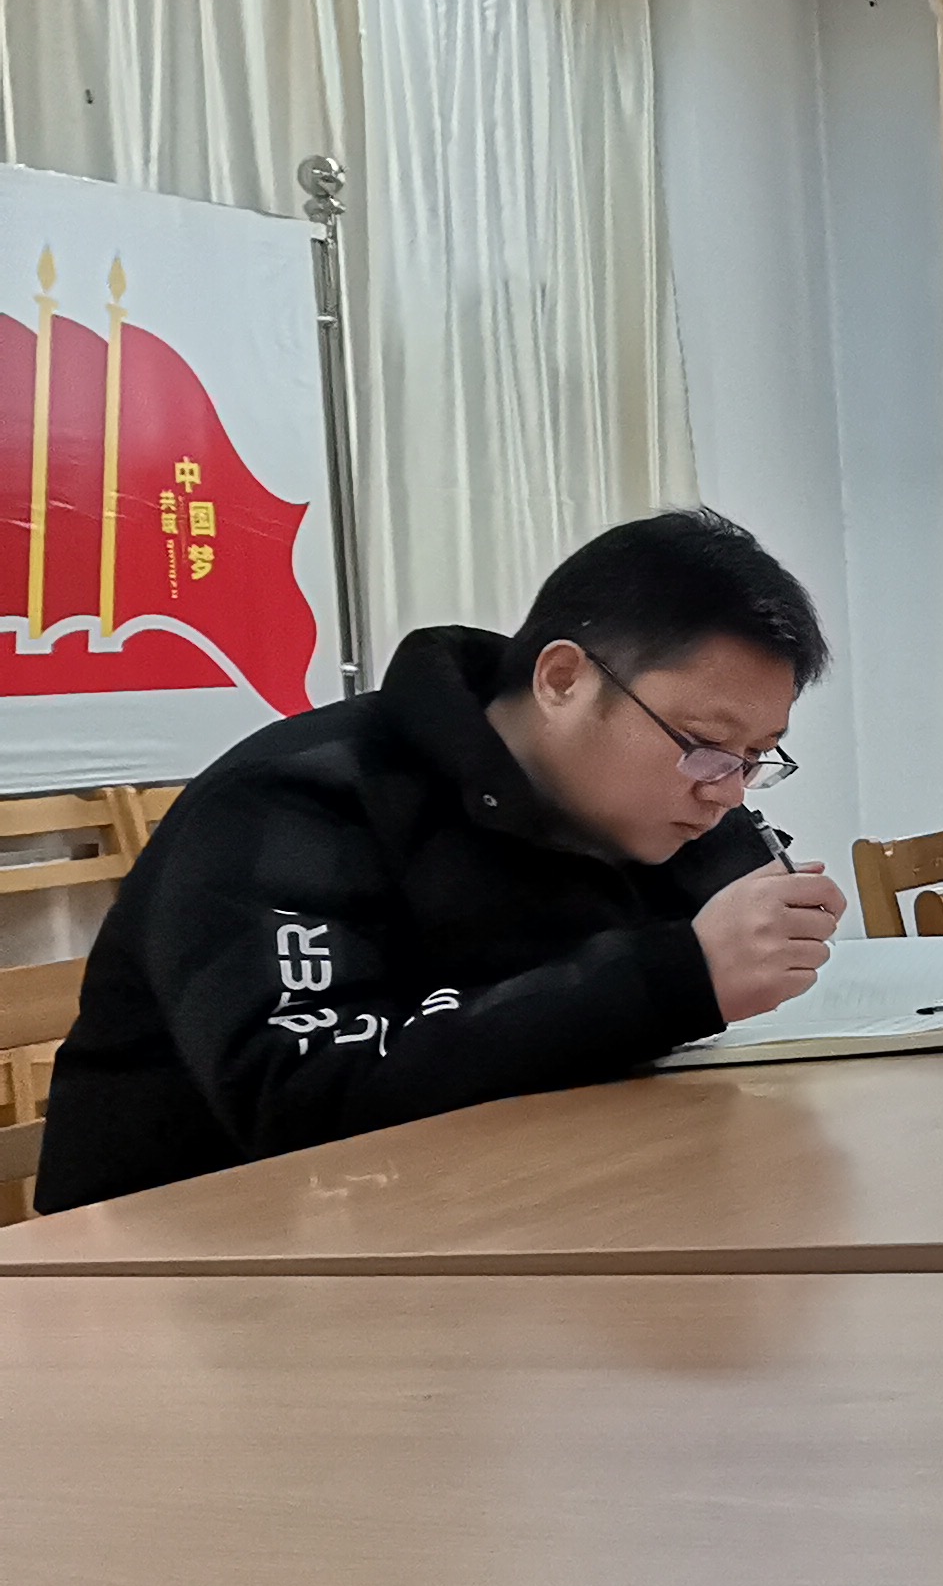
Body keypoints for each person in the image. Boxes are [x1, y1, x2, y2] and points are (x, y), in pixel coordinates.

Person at [36, 508, 844, 1212]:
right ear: (564, 679)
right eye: (704, 744)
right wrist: (673, 977)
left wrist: (765, 925)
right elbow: (296, 1093)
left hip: (504, 1216)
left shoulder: (639, 810)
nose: (726, 791)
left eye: (754, 757)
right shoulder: (297, 800)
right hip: (186, 1267)